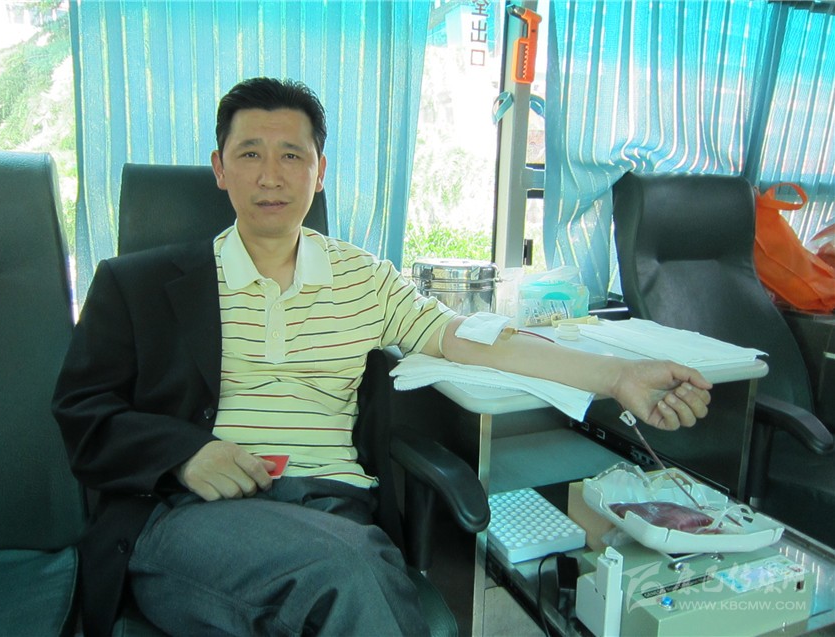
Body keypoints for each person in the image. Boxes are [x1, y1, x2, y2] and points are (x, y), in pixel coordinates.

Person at [53, 77, 712, 637]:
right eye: (249, 153)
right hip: (193, 514)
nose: (271, 175)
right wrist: (185, 454)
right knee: (352, 574)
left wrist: (618, 375)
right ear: (219, 168)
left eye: (292, 155)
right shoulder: (137, 284)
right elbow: (82, 412)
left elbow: (469, 337)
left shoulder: (364, 278)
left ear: (320, 171)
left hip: (331, 511)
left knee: (343, 569)